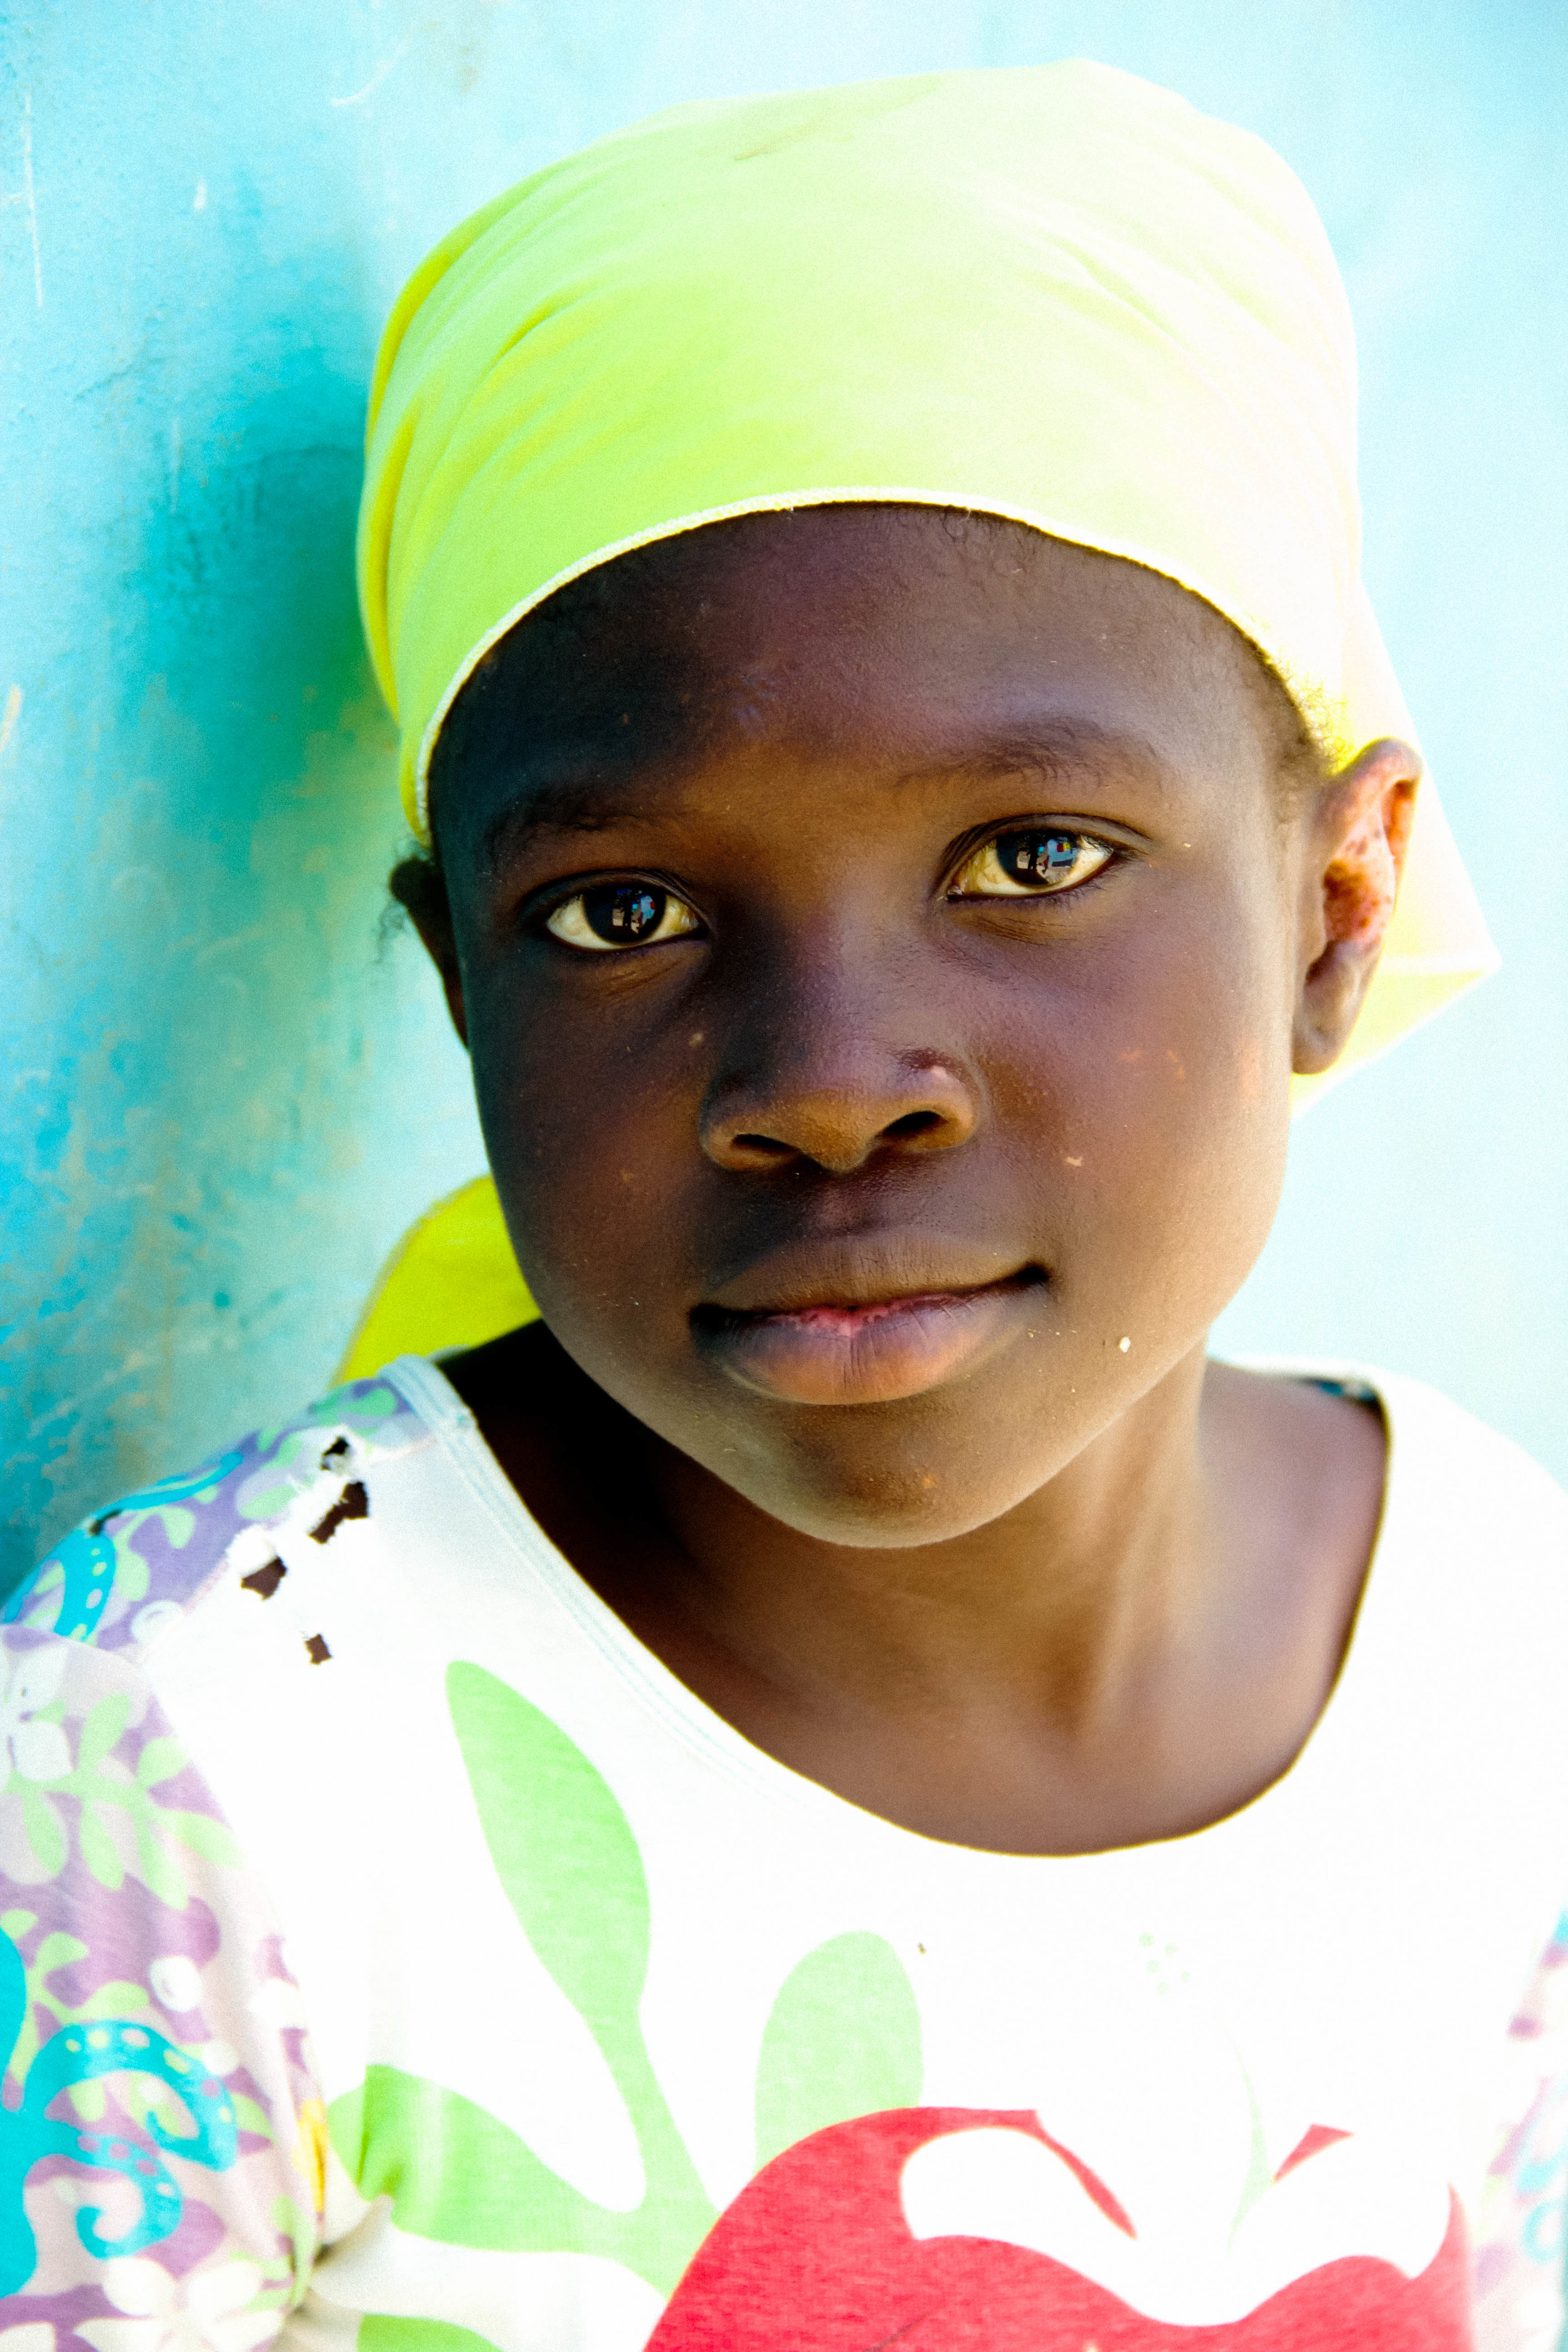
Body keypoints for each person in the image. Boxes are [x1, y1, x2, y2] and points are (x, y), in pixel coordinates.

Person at [3, 60, 1562, 2352]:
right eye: (624, 912)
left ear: (1339, 902)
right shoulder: (187, 1775)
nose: (829, 1089)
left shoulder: (1493, 1656)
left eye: (1028, 860)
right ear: (458, 979)